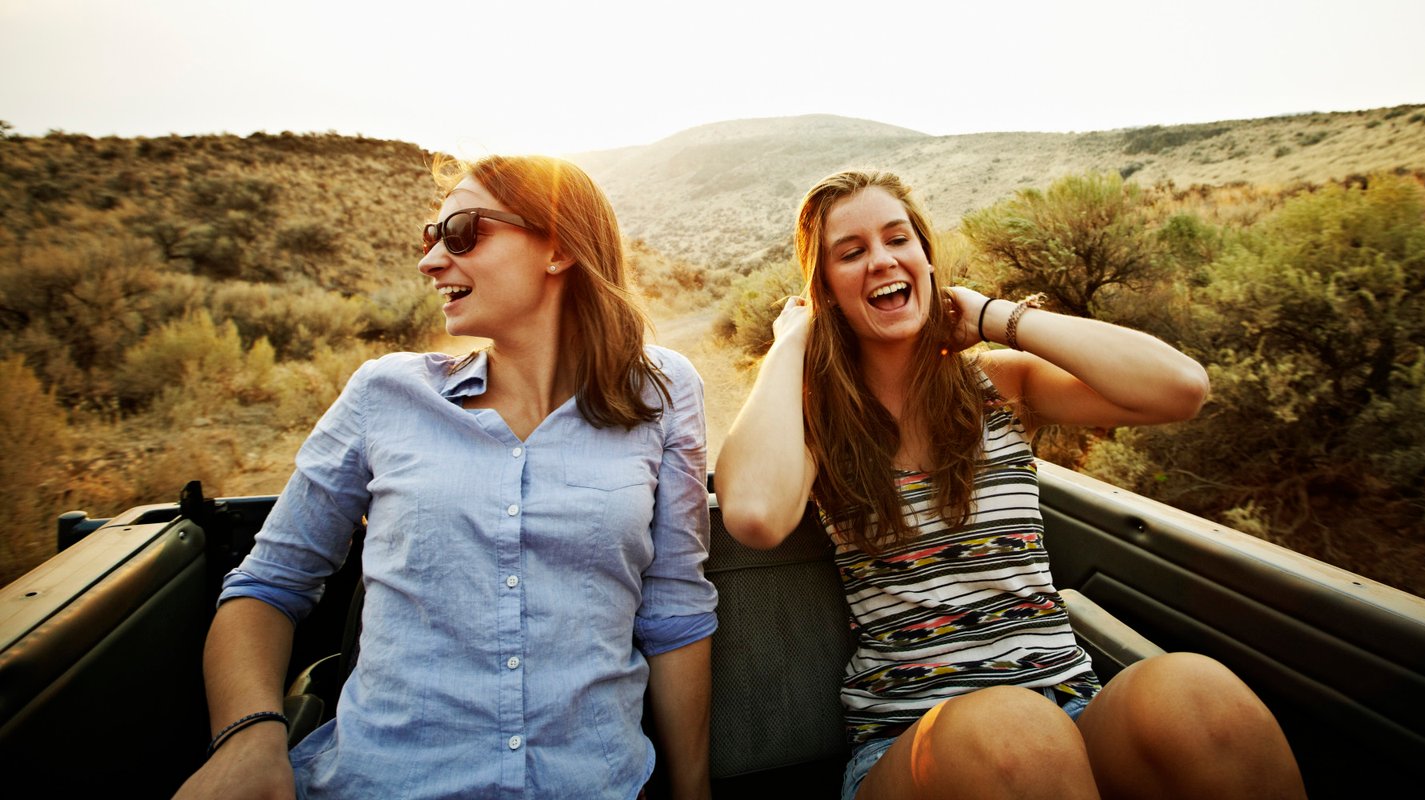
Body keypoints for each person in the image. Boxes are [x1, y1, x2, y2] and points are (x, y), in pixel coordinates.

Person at [715, 170, 1306, 800]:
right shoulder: (818, 425)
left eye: (898, 239)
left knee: (1199, 694)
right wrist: (791, 341)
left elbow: (1181, 389)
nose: (882, 260)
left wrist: (993, 315)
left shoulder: (1001, 386)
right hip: (912, 739)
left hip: (1069, 708)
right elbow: (754, 513)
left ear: (925, 257)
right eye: (851, 252)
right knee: (1011, 732)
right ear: (824, 288)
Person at [174, 155, 717, 799]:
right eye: (429, 238)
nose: (431, 261)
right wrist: (249, 739)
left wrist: (693, 792)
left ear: (559, 247)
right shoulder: (384, 394)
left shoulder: (663, 390)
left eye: (460, 232)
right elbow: (269, 586)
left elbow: (675, 610)